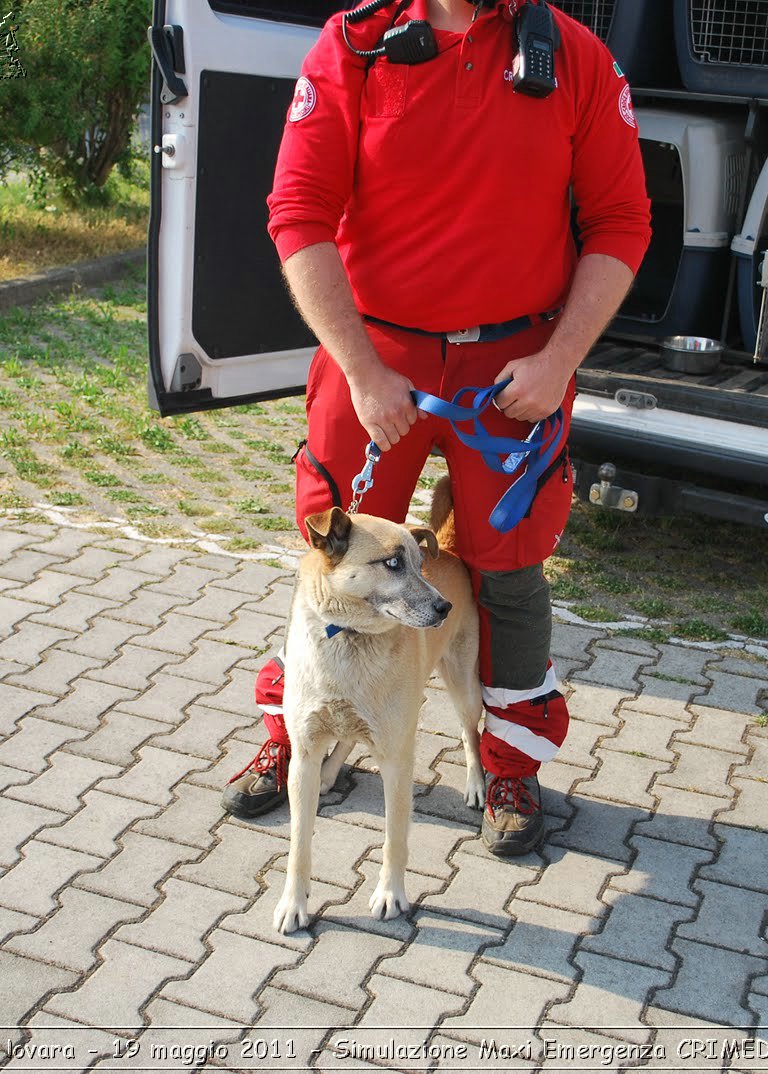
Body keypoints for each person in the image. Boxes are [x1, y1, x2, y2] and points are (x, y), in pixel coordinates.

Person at [223, 0, 650, 857]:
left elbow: (621, 221)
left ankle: (508, 763)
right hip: (377, 354)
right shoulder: (357, 44)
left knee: (511, 565)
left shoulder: (577, 58)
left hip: (518, 365)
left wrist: (559, 360)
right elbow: (298, 214)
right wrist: (362, 371)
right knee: (331, 548)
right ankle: (299, 728)